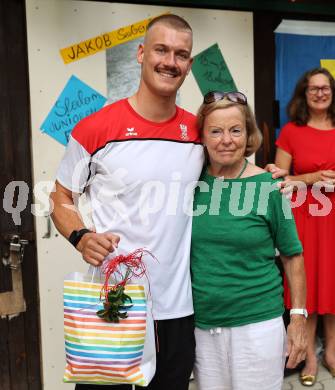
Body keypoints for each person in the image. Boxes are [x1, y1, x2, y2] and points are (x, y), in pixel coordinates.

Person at [50, 14, 287, 390]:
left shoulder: (197, 133)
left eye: (180, 54)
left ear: (189, 65)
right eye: (161, 49)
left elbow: (234, 164)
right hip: (114, 303)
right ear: (141, 53)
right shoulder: (96, 128)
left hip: (178, 310)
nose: (170, 61)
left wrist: (271, 175)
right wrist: (80, 235)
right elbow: (60, 196)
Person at [191, 91, 307, 390]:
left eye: (235, 130)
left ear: (249, 134)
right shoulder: (188, 185)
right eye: (215, 131)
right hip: (204, 328)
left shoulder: (269, 186)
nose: (226, 139)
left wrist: (297, 319)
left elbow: (292, 255)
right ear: (202, 136)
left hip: (258, 327)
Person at [275, 67, 335, 386]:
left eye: (325, 88)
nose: (320, 93)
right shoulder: (291, 132)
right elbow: (279, 179)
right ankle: (309, 354)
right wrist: (310, 178)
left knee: (334, 283)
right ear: (304, 93)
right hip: (307, 216)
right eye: (313, 88)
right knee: (309, 286)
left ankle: (332, 354)